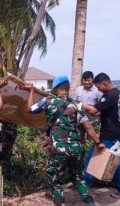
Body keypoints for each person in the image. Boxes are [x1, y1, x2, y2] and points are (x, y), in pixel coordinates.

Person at [20, 76, 105, 206]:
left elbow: (30, 109)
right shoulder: (77, 105)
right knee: (78, 178)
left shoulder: (48, 101)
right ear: (68, 87)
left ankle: (60, 203)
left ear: (55, 89)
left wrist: (31, 90)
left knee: (55, 178)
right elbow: (88, 126)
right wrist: (98, 143)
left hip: (58, 148)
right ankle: (89, 202)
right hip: (76, 148)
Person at [83, 73, 120, 201]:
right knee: (114, 164)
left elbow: (94, 111)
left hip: (109, 135)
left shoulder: (110, 95)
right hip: (117, 134)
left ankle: (84, 186)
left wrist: (79, 104)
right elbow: (101, 111)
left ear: (105, 84)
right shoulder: (119, 93)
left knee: (92, 161)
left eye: (98, 87)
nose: (98, 89)